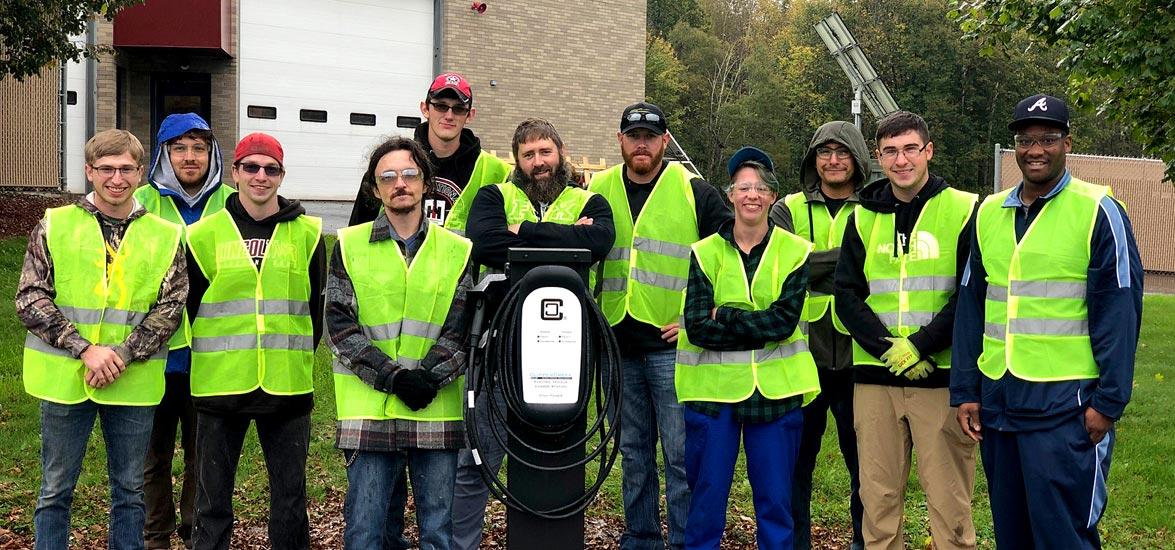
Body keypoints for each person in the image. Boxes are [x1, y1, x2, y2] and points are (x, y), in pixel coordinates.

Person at [951, 94, 1142, 549]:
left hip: (1067, 406)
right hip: (999, 399)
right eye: (1025, 140)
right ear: (1014, 146)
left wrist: (1108, 402)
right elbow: (971, 307)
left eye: (1047, 139)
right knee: (1012, 534)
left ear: (1067, 143)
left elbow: (1120, 310)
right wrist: (965, 391)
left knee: (1063, 534)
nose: (1035, 150)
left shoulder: (1098, 210)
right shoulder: (987, 213)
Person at [18, 129, 187, 550]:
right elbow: (29, 296)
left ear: (141, 172)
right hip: (65, 379)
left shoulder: (166, 234)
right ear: (89, 171)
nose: (117, 178)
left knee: (130, 493)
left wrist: (122, 355)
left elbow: (171, 307)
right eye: (107, 169)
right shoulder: (54, 224)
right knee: (56, 490)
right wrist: (86, 349)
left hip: (132, 382)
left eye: (127, 169)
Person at [452, 118, 615, 549]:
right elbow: (484, 243)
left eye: (546, 152)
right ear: (517, 161)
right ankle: (461, 543)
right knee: (479, 457)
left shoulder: (590, 199)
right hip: (498, 348)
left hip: (569, 354)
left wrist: (522, 231)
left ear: (561, 153)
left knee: (557, 456)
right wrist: (566, 238)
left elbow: (599, 242)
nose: (539, 162)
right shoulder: (494, 196)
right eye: (529, 155)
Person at [588, 102, 731, 550]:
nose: (642, 143)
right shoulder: (598, 188)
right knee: (633, 453)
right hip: (616, 342)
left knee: (680, 455)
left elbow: (731, 254)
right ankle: (642, 536)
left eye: (651, 136)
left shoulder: (695, 191)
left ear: (665, 140)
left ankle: (686, 542)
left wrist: (699, 315)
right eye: (634, 136)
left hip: (671, 347)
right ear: (620, 141)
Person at [833, 111, 978, 550]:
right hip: (875, 380)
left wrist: (919, 346)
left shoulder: (965, 208)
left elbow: (971, 295)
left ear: (928, 151)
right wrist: (888, 350)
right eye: (891, 151)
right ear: (878, 157)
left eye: (910, 149)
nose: (901, 160)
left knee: (950, 505)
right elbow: (846, 295)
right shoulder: (861, 218)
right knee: (877, 503)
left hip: (940, 377)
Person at [327, 136, 474, 550]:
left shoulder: (457, 250)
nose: (400, 184)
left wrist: (428, 377)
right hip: (369, 412)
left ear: (426, 181)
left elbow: (462, 328)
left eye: (409, 174)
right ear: (375, 189)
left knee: (437, 535)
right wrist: (394, 378)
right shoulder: (349, 245)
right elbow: (340, 328)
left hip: (435, 408)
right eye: (387, 177)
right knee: (366, 535)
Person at [185, 133, 326, 550]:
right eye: (251, 167)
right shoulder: (203, 234)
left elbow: (314, 307)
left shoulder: (309, 232)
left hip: (286, 388)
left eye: (271, 169)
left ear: (281, 176)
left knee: (289, 501)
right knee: (211, 504)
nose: (260, 177)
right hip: (219, 387)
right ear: (234, 172)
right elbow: (190, 307)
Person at [677, 147, 820, 549]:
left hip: (775, 396)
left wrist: (728, 315)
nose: (752, 195)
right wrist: (754, 321)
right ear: (731, 195)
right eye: (743, 187)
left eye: (760, 187)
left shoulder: (794, 251)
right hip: (712, 398)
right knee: (705, 504)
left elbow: (783, 321)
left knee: (776, 506)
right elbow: (698, 327)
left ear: (773, 196)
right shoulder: (704, 253)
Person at [769, 121, 869, 550]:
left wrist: (812, 261)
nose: (832, 160)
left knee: (865, 468)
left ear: (858, 159)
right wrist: (846, 261)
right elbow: (783, 266)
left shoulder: (875, 206)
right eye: (824, 152)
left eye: (842, 152)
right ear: (813, 159)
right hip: (801, 359)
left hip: (857, 357)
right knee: (795, 467)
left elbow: (875, 268)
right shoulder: (787, 208)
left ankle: (866, 542)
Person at [135, 112, 232, 550]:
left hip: (212, 354)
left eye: (199, 147)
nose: (190, 157)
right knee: (151, 456)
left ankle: (195, 533)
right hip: (152, 353)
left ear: (211, 152)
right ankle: (156, 537)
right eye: (179, 148)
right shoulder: (140, 202)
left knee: (203, 457)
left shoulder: (232, 202)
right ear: (164, 154)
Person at [348, 71, 511, 232]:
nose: (449, 115)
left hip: (462, 259)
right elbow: (357, 237)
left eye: (459, 109)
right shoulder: (387, 167)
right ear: (425, 109)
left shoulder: (498, 173)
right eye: (441, 106)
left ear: (470, 115)